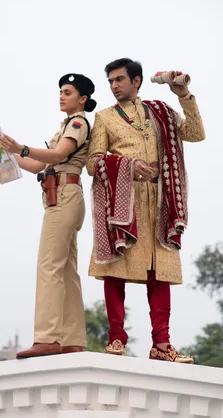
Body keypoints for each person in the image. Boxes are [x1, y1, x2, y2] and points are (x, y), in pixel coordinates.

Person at [86, 58, 205, 363]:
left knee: (160, 273)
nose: (114, 86)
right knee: (116, 269)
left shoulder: (160, 112)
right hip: (122, 203)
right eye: (110, 81)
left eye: (119, 80)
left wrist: (183, 95)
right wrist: (125, 166)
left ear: (136, 81)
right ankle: (115, 339)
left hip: (163, 202)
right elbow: (92, 163)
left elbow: (194, 133)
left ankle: (161, 345)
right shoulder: (104, 118)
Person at [0, 73, 96, 358]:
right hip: (62, 196)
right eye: (61, 92)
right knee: (65, 270)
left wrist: (22, 147)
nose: (62, 96)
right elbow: (36, 165)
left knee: (49, 267)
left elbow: (58, 155)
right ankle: (71, 339)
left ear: (82, 99)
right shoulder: (65, 126)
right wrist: (5, 152)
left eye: (68, 92)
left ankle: (48, 338)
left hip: (63, 197)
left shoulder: (77, 123)